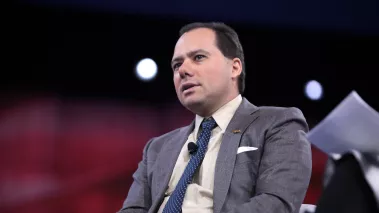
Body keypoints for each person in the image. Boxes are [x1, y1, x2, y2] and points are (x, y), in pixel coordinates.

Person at [118, 22, 312, 213]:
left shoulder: (277, 124)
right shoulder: (157, 148)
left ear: (235, 68)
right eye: (177, 65)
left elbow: (275, 204)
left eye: (199, 57)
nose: (183, 70)